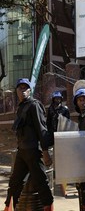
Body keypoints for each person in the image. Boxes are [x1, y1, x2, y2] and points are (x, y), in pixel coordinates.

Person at [3, 78, 54, 211]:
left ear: (30, 90)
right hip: (22, 151)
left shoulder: (34, 105)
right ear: (17, 91)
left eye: (26, 88)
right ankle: (9, 207)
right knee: (14, 183)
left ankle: (49, 208)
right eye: (20, 88)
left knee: (41, 183)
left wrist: (45, 152)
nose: (23, 90)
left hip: (33, 151)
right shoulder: (20, 107)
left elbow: (41, 129)